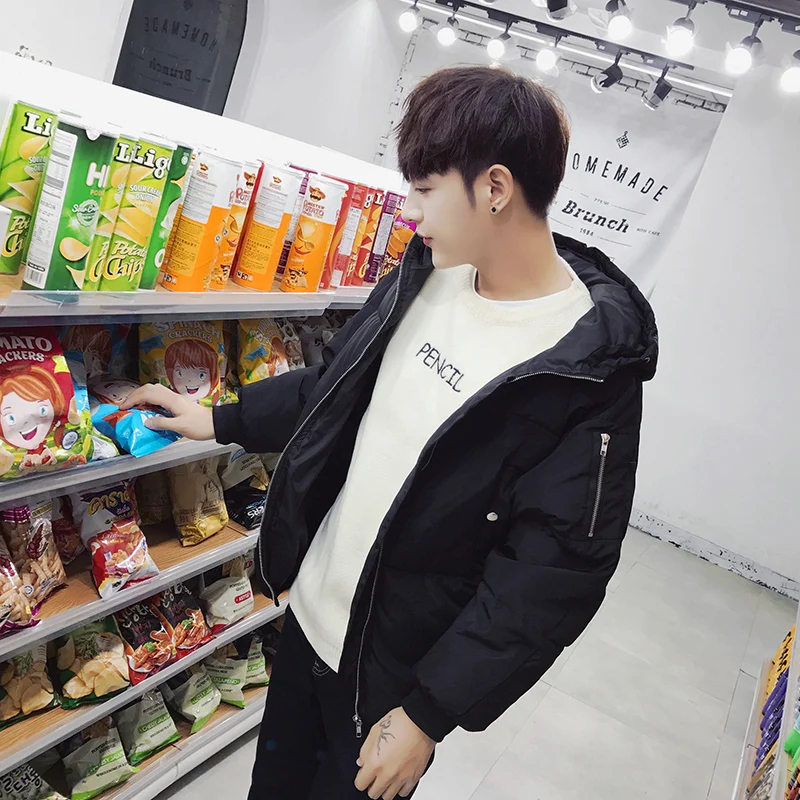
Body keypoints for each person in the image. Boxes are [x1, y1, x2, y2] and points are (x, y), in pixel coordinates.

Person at [123, 65, 658, 800]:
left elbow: (551, 572)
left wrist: (430, 712)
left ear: (495, 189)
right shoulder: (427, 277)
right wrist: (222, 419)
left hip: (392, 685)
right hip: (308, 622)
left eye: (425, 189)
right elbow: (333, 390)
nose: (410, 212)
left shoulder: (589, 367)